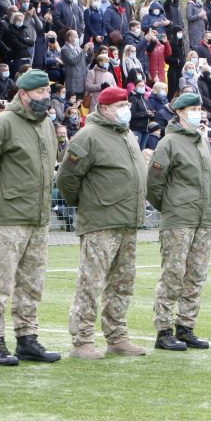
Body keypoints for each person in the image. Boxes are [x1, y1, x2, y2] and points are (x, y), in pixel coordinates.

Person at [0, 69, 61, 365]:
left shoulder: (46, 123)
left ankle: (27, 338)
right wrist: (6, 190)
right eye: (39, 92)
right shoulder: (4, 124)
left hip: (38, 217)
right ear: (23, 94)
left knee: (32, 282)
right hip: (9, 217)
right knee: (0, 282)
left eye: (47, 92)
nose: (46, 97)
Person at [55, 86, 147, 359]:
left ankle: (117, 336)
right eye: (120, 106)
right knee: (91, 283)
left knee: (122, 283)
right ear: (104, 108)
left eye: (126, 105)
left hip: (127, 221)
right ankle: (82, 340)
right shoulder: (88, 137)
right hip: (100, 221)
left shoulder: (127, 135)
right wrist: (88, 204)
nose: (125, 110)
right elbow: (67, 179)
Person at [146, 93, 211, 351]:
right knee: (173, 275)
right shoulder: (169, 143)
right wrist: (170, 207)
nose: (199, 112)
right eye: (193, 108)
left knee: (195, 275)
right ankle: (164, 329)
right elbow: (153, 183)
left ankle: (186, 326)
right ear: (180, 112)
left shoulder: (202, 142)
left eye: (200, 107)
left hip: (202, 219)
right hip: (179, 219)